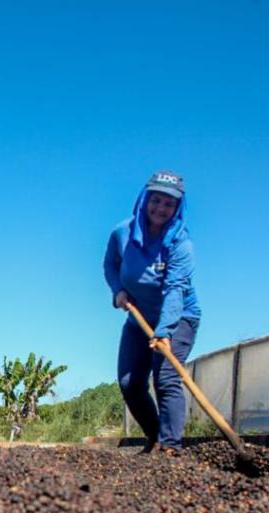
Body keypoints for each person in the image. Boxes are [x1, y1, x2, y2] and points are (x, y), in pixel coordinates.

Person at [103, 170, 201, 452]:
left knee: (166, 377)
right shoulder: (122, 234)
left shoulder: (181, 244)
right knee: (129, 383)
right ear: (145, 199)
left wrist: (165, 331)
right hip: (138, 318)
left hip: (180, 318)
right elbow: (110, 264)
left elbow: (175, 289)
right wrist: (118, 291)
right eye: (156, 200)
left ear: (177, 208)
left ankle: (170, 447)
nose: (161, 208)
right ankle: (156, 438)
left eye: (169, 203)